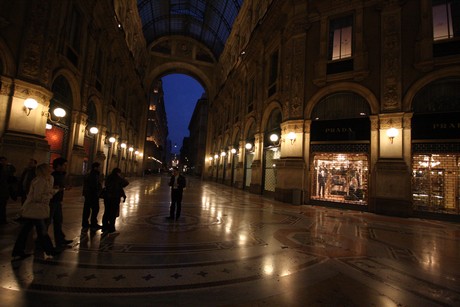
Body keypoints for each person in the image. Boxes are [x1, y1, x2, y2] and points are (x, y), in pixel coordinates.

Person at [12, 163, 60, 260]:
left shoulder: (43, 180)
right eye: (48, 168)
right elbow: (37, 197)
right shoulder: (40, 181)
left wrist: (53, 191)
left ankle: (18, 251)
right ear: (44, 170)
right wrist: (50, 195)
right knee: (41, 231)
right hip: (36, 210)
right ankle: (50, 250)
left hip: (35, 210)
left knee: (27, 231)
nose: (50, 169)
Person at [49, 157, 73, 247]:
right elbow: (52, 189)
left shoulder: (61, 175)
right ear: (58, 166)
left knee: (58, 221)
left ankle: (60, 240)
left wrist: (64, 187)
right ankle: (40, 242)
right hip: (52, 201)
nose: (65, 167)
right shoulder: (53, 176)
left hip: (58, 201)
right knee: (47, 222)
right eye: (64, 165)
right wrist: (62, 188)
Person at [102, 167, 129, 235]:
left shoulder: (109, 177)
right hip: (114, 197)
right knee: (113, 213)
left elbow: (106, 185)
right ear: (118, 173)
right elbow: (126, 182)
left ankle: (104, 227)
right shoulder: (118, 178)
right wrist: (120, 177)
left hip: (107, 197)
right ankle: (111, 229)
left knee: (107, 212)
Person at [81, 162, 103, 231]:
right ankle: (93, 224)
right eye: (99, 167)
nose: (100, 168)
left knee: (87, 209)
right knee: (95, 209)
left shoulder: (91, 173)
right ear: (95, 168)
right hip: (92, 194)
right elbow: (94, 186)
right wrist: (98, 192)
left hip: (89, 194)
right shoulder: (93, 175)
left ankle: (85, 223)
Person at [0, 156, 17, 224]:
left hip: (4, 191)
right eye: (2, 161)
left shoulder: (7, 169)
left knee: (3, 206)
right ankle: (2, 220)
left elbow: (13, 172)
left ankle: (2, 219)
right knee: (2, 206)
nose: (3, 162)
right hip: (3, 191)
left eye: (4, 161)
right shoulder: (3, 169)